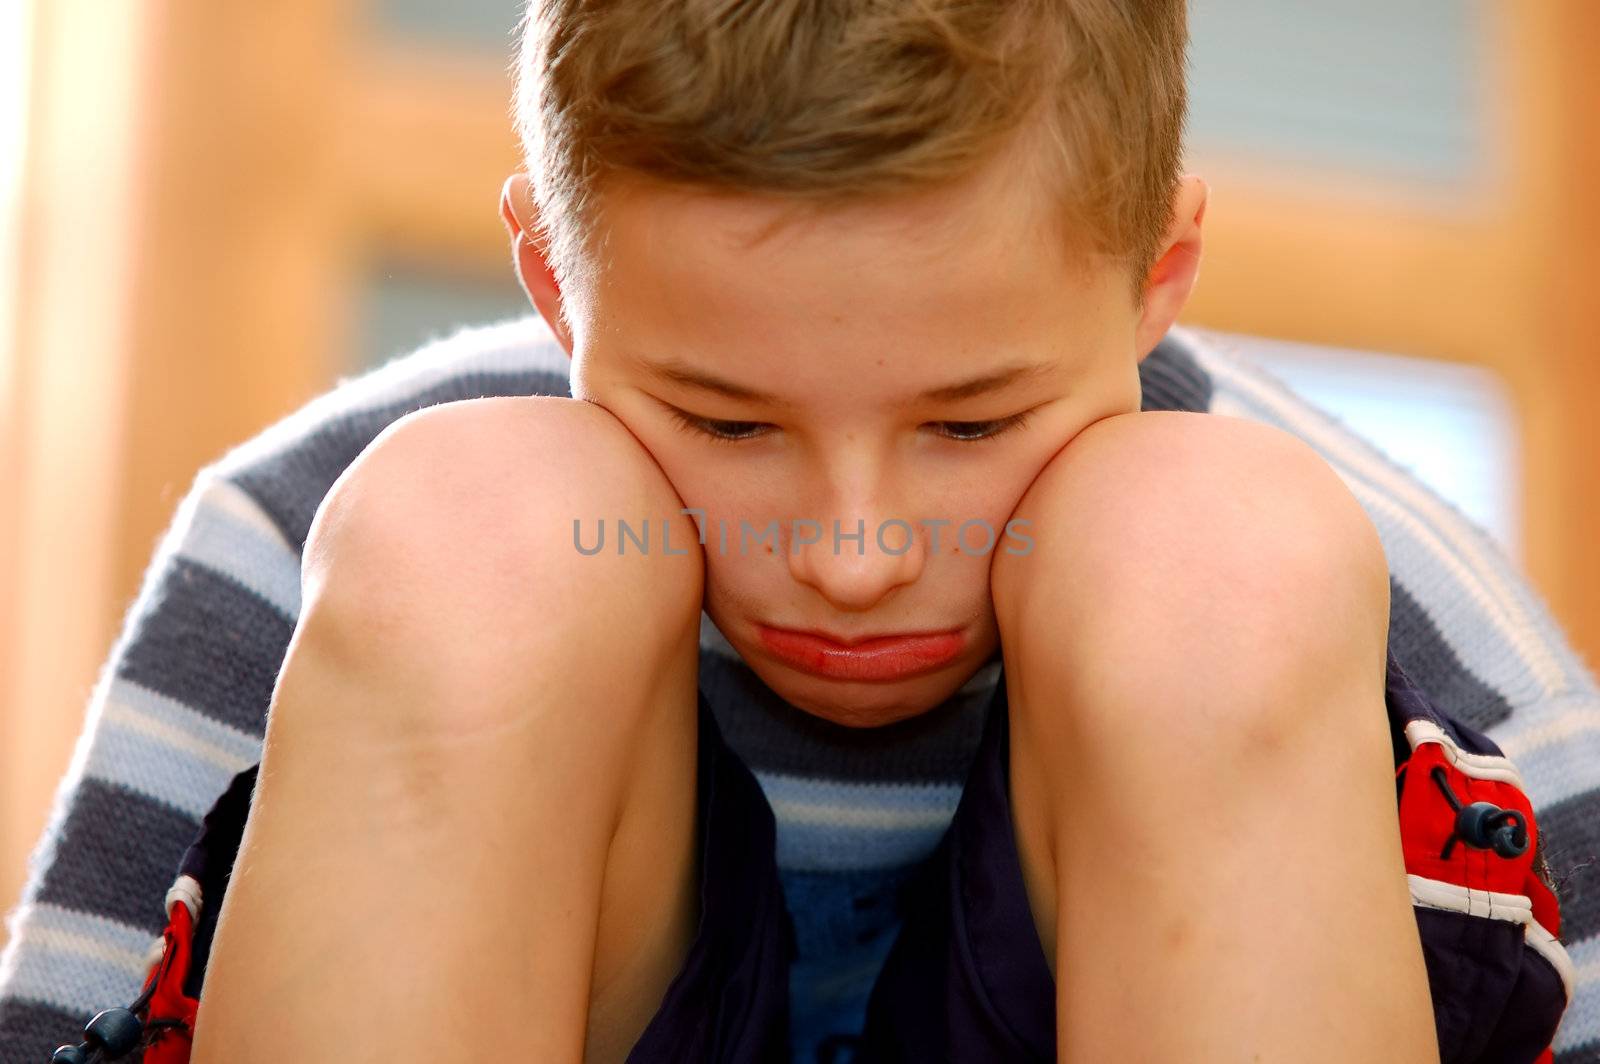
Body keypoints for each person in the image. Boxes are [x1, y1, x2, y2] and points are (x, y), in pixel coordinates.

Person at [1, 1, 1593, 1062]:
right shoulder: (321, 542)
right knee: (475, 536)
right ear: (554, 276)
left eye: (970, 424)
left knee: (1221, 556)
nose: (851, 552)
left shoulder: (1397, 600)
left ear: (1157, 276)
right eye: (726, 422)